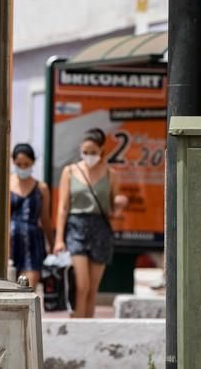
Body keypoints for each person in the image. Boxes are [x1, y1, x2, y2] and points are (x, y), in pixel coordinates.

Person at [54, 128, 128, 317]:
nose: (88, 156)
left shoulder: (111, 174)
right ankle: (77, 325)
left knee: (93, 288)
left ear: (102, 150)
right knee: (81, 285)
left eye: (93, 152)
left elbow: (112, 209)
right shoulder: (70, 171)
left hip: (100, 228)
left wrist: (120, 204)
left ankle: (88, 327)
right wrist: (59, 239)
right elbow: (62, 207)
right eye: (85, 151)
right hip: (76, 226)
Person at [10, 143, 54, 288]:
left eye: (26, 164)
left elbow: (45, 218)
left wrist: (52, 244)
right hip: (8, 243)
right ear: (13, 162)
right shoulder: (6, 183)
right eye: (19, 164)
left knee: (28, 288)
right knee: (7, 288)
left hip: (32, 241)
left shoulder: (41, 188)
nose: (23, 168)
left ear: (33, 162)